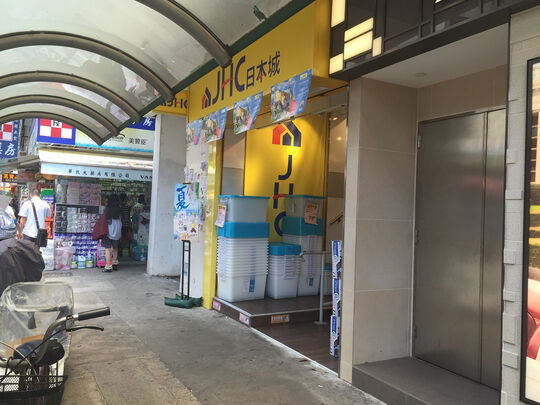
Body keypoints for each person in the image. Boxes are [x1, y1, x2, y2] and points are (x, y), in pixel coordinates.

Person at [102, 194, 122, 273]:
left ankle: (108, 266)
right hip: (118, 229)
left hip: (109, 230)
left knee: (107, 248)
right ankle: (115, 263)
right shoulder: (119, 209)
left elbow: (104, 220)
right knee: (115, 247)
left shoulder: (107, 209)